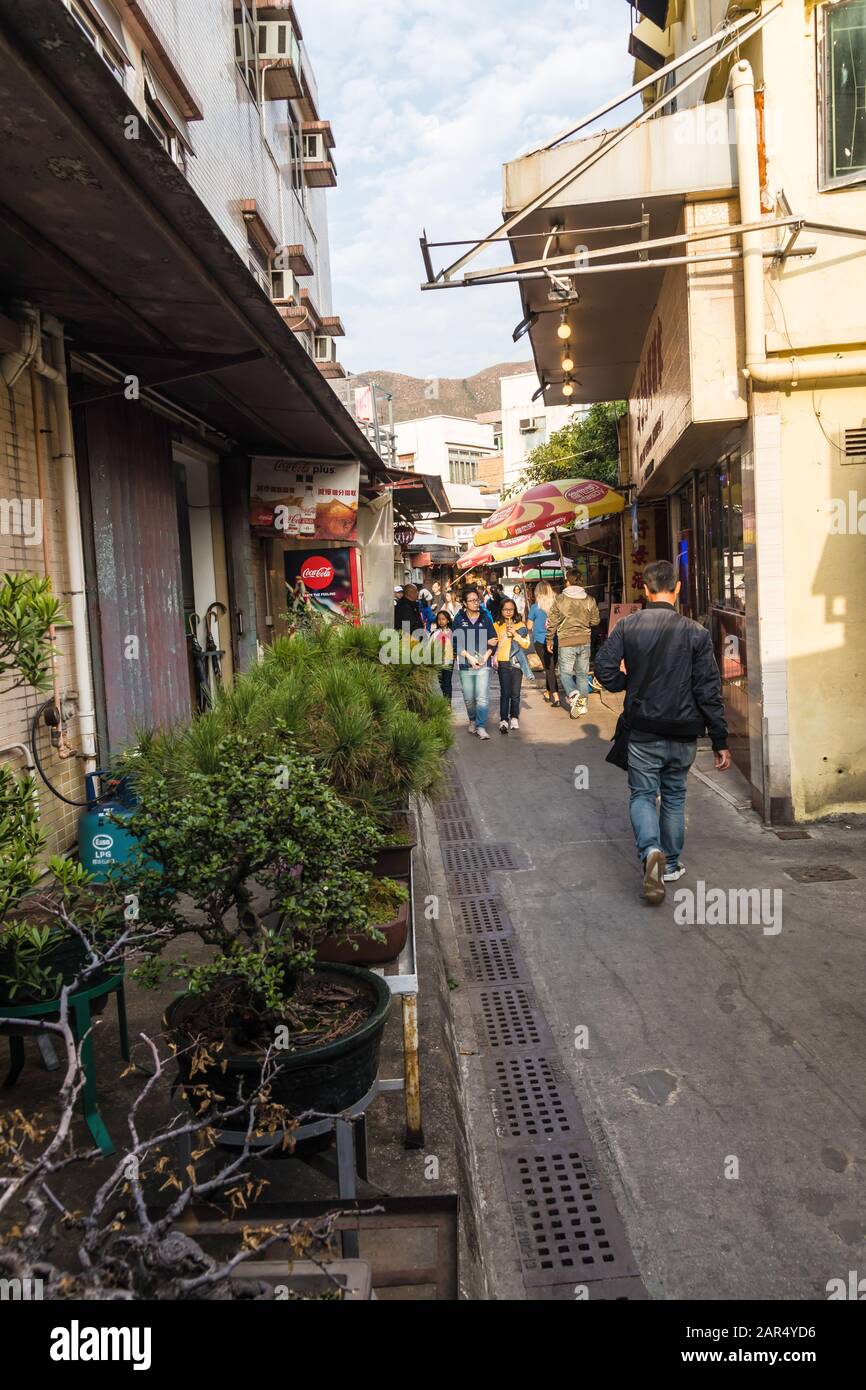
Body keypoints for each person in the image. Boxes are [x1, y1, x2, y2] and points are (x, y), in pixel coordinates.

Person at [594, 559, 731, 906]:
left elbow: (603, 667)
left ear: (645, 589)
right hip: (684, 731)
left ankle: (650, 850)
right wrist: (720, 739)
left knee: (642, 795)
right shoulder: (696, 633)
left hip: (643, 730)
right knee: (674, 796)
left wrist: (626, 683)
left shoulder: (629, 626)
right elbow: (708, 689)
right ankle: (669, 864)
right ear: (678, 587)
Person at [547, 570, 600, 719]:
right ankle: (582, 706)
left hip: (566, 642)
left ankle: (572, 693)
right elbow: (595, 621)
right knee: (582, 675)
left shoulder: (560, 599)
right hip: (585, 641)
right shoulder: (589, 599)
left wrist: (549, 639)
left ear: (567, 582)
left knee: (565, 673)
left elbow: (552, 622)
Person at [452, 587, 497, 740]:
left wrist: (485, 656)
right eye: (471, 600)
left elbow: (493, 640)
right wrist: (469, 657)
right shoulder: (459, 619)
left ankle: (481, 726)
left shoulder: (485, 617)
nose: (475, 603)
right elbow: (455, 642)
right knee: (469, 697)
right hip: (466, 662)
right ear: (464, 603)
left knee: (482, 697)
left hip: (484, 662)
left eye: (477, 600)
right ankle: (472, 719)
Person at [494, 598, 531, 733]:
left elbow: (526, 644)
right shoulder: (496, 625)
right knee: (505, 692)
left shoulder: (521, 626)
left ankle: (514, 717)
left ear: (515, 610)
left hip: (517, 662)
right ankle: (503, 719)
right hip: (503, 661)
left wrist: (515, 634)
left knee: (515, 693)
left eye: (511, 609)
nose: (508, 612)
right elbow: (494, 644)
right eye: (505, 609)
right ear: (501, 611)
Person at [528, 580, 560, 707]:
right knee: (550, 667)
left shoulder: (535, 607)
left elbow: (529, 626)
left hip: (540, 641)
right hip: (556, 639)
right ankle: (548, 692)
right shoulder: (557, 605)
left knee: (549, 668)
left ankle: (555, 696)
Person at [430, 608, 455, 701]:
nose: (441, 621)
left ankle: (448, 703)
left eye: (443, 619)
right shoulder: (435, 633)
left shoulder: (452, 633)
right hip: (438, 661)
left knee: (447, 682)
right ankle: (445, 700)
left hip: (449, 661)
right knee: (441, 682)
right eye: (439, 619)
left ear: (448, 620)